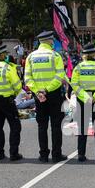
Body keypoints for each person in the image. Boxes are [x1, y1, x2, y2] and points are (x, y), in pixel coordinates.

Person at [25, 31, 68, 163]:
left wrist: (39, 91)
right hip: (53, 94)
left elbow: (27, 78)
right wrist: (47, 90)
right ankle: (56, 154)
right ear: (50, 41)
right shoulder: (55, 56)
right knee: (56, 125)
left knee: (42, 126)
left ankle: (43, 155)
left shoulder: (30, 57)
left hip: (39, 96)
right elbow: (59, 76)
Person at [71, 43, 95, 162]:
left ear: (84, 55)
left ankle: (81, 155)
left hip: (83, 99)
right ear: (94, 54)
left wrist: (85, 96)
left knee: (82, 127)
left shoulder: (78, 67)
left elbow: (74, 84)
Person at [0, 45, 23, 161]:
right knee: (15, 126)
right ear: (1, 55)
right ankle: (13, 153)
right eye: (5, 54)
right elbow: (17, 85)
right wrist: (14, 94)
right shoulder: (7, 67)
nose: (6, 56)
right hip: (7, 100)